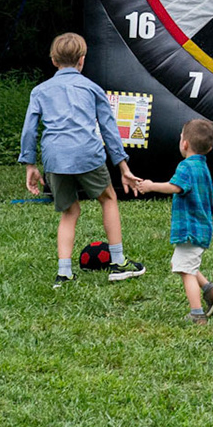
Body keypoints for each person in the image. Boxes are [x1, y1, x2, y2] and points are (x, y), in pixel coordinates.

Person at [19, 32, 146, 286]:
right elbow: (109, 129)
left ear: (54, 61)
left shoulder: (40, 91)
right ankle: (119, 262)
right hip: (88, 153)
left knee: (69, 211)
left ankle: (64, 273)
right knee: (108, 198)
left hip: (55, 158)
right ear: (82, 60)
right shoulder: (92, 88)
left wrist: (30, 165)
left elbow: (29, 131)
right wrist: (123, 166)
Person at [129, 118, 213, 322]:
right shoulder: (202, 167)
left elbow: (175, 187)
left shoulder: (186, 166)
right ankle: (210, 290)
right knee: (181, 263)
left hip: (190, 229)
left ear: (185, 144)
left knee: (185, 270)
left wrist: (150, 185)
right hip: (200, 227)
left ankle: (197, 314)